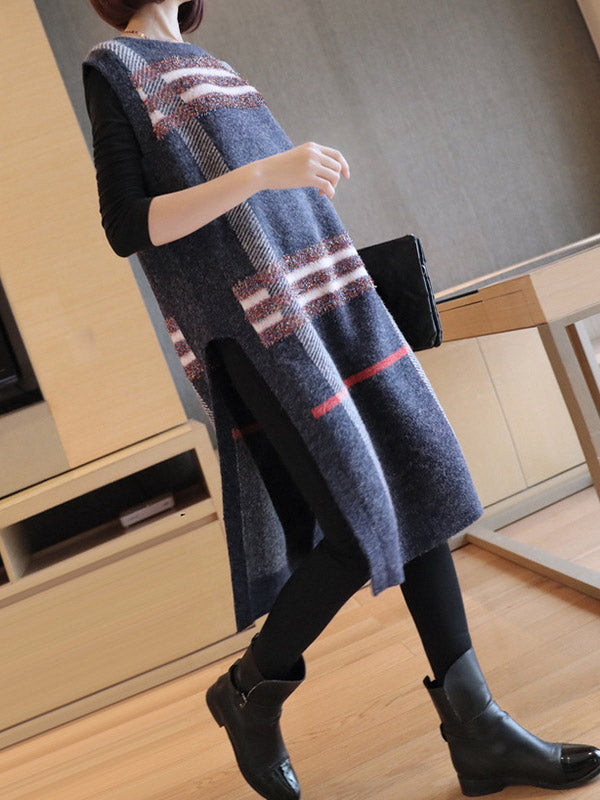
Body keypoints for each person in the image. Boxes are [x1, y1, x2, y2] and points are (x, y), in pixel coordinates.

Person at [82, 1, 600, 797]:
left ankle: (479, 733)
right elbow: (128, 226)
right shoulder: (113, 66)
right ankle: (250, 690)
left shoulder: (212, 66)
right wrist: (268, 171)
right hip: (260, 333)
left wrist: (285, 187)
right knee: (358, 533)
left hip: (326, 309)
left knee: (417, 486)